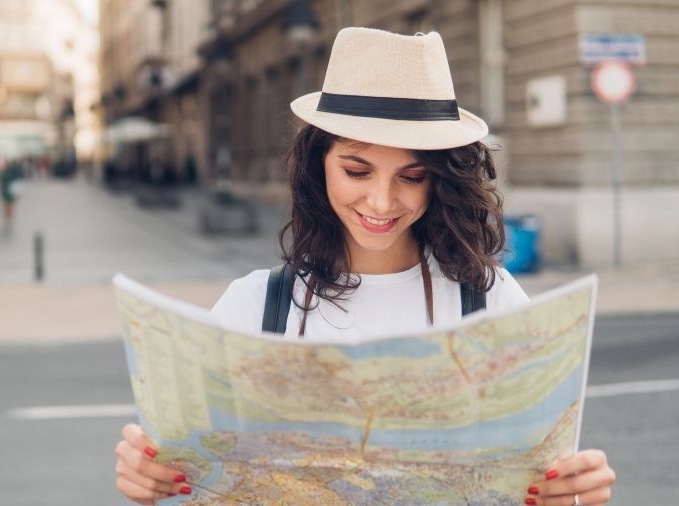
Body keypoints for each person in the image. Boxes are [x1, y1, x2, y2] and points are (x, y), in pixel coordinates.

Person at [114, 28, 615, 505]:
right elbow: (195, 470)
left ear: (439, 179)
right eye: (357, 170)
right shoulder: (254, 306)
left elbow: (542, 476)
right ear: (319, 163)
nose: (381, 201)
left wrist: (570, 489)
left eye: (412, 176)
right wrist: (150, 474)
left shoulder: (490, 298)